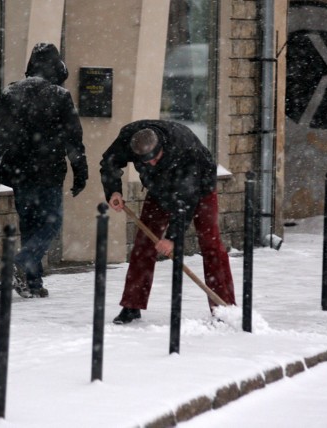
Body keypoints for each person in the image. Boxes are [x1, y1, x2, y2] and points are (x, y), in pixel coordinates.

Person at [100, 119, 236, 324]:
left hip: (199, 189)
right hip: (158, 189)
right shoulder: (129, 137)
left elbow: (186, 199)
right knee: (144, 244)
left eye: (155, 158)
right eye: (146, 162)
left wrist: (172, 238)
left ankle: (224, 308)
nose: (151, 163)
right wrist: (113, 190)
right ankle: (132, 305)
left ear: (162, 147)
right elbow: (109, 161)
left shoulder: (184, 148)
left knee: (210, 244)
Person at [0, 42, 88, 298]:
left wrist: (16, 143)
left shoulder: (12, 92)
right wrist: (80, 171)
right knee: (51, 223)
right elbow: (74, 139)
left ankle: (32, 283)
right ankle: (21, 262)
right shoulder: (59, 96)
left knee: (30, 225)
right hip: (49, 171)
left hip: (20, 172)